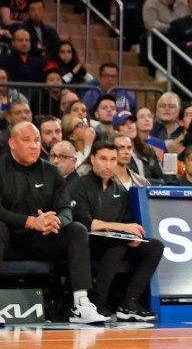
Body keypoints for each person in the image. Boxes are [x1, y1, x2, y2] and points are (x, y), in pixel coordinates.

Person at [0, 121, 110, 325]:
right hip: (9, 244)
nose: (34, 145)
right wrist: (32, 221)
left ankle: (81, 304)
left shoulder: (51, 171)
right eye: (26, 141)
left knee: (77, 229)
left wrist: (56, 221)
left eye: (37, 140)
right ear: (12, 143)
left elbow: (66, 209)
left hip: (42, 241)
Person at [68, 137, 163, 320]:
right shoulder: (78, 186)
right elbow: (86, 223)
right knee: (116, 245)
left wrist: (134, 236)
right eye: (103, 159)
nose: (108, 165)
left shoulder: (119, 189)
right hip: (88, 244)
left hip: (116, 242)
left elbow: (127, 222)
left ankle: (129, 302)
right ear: (93, 159)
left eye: (113, 160)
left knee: (154, 246)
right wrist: (121, 228)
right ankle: (98, 301)